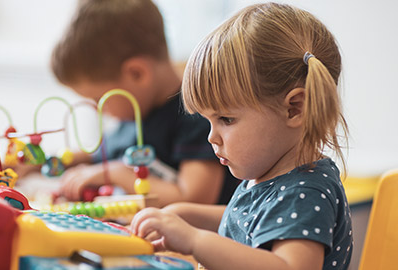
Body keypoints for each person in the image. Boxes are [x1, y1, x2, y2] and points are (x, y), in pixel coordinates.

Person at [130, 3, 352, 270]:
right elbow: (250, 220)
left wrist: (196, 240)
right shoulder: (274, 177)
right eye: (208, 121)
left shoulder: (306, 192)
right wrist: (185, 214)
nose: (212, 138)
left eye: (226, 119)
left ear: (295, 108)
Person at [47, 0, 238, 207]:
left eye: (98, 99)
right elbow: (93, 156)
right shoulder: (132, 115)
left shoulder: (197, 115)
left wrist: (116, 173)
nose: (98, 109)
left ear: (136, 74)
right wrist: (40, 162)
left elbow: (193, 198)